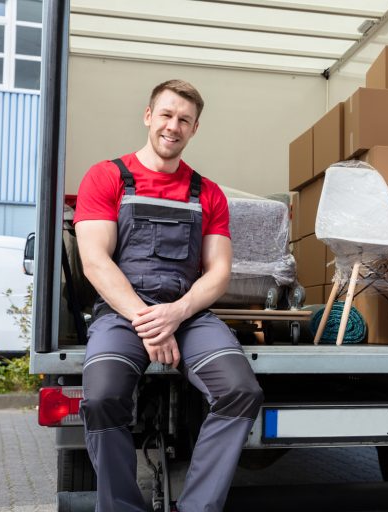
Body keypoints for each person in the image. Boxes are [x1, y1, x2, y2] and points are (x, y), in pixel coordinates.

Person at [73, 79, 263, 512]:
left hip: (189, 313)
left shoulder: (207, 192)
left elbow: (218, 272)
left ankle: (197, 506)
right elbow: (95, 263)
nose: (173, 126)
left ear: (194, 129)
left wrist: (176, 314)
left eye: (184, 120)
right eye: (166, 115)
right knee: (102, 399)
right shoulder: (107, 177)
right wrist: (148, 321)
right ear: (148, 115)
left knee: (240, 391)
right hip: (123, 313)